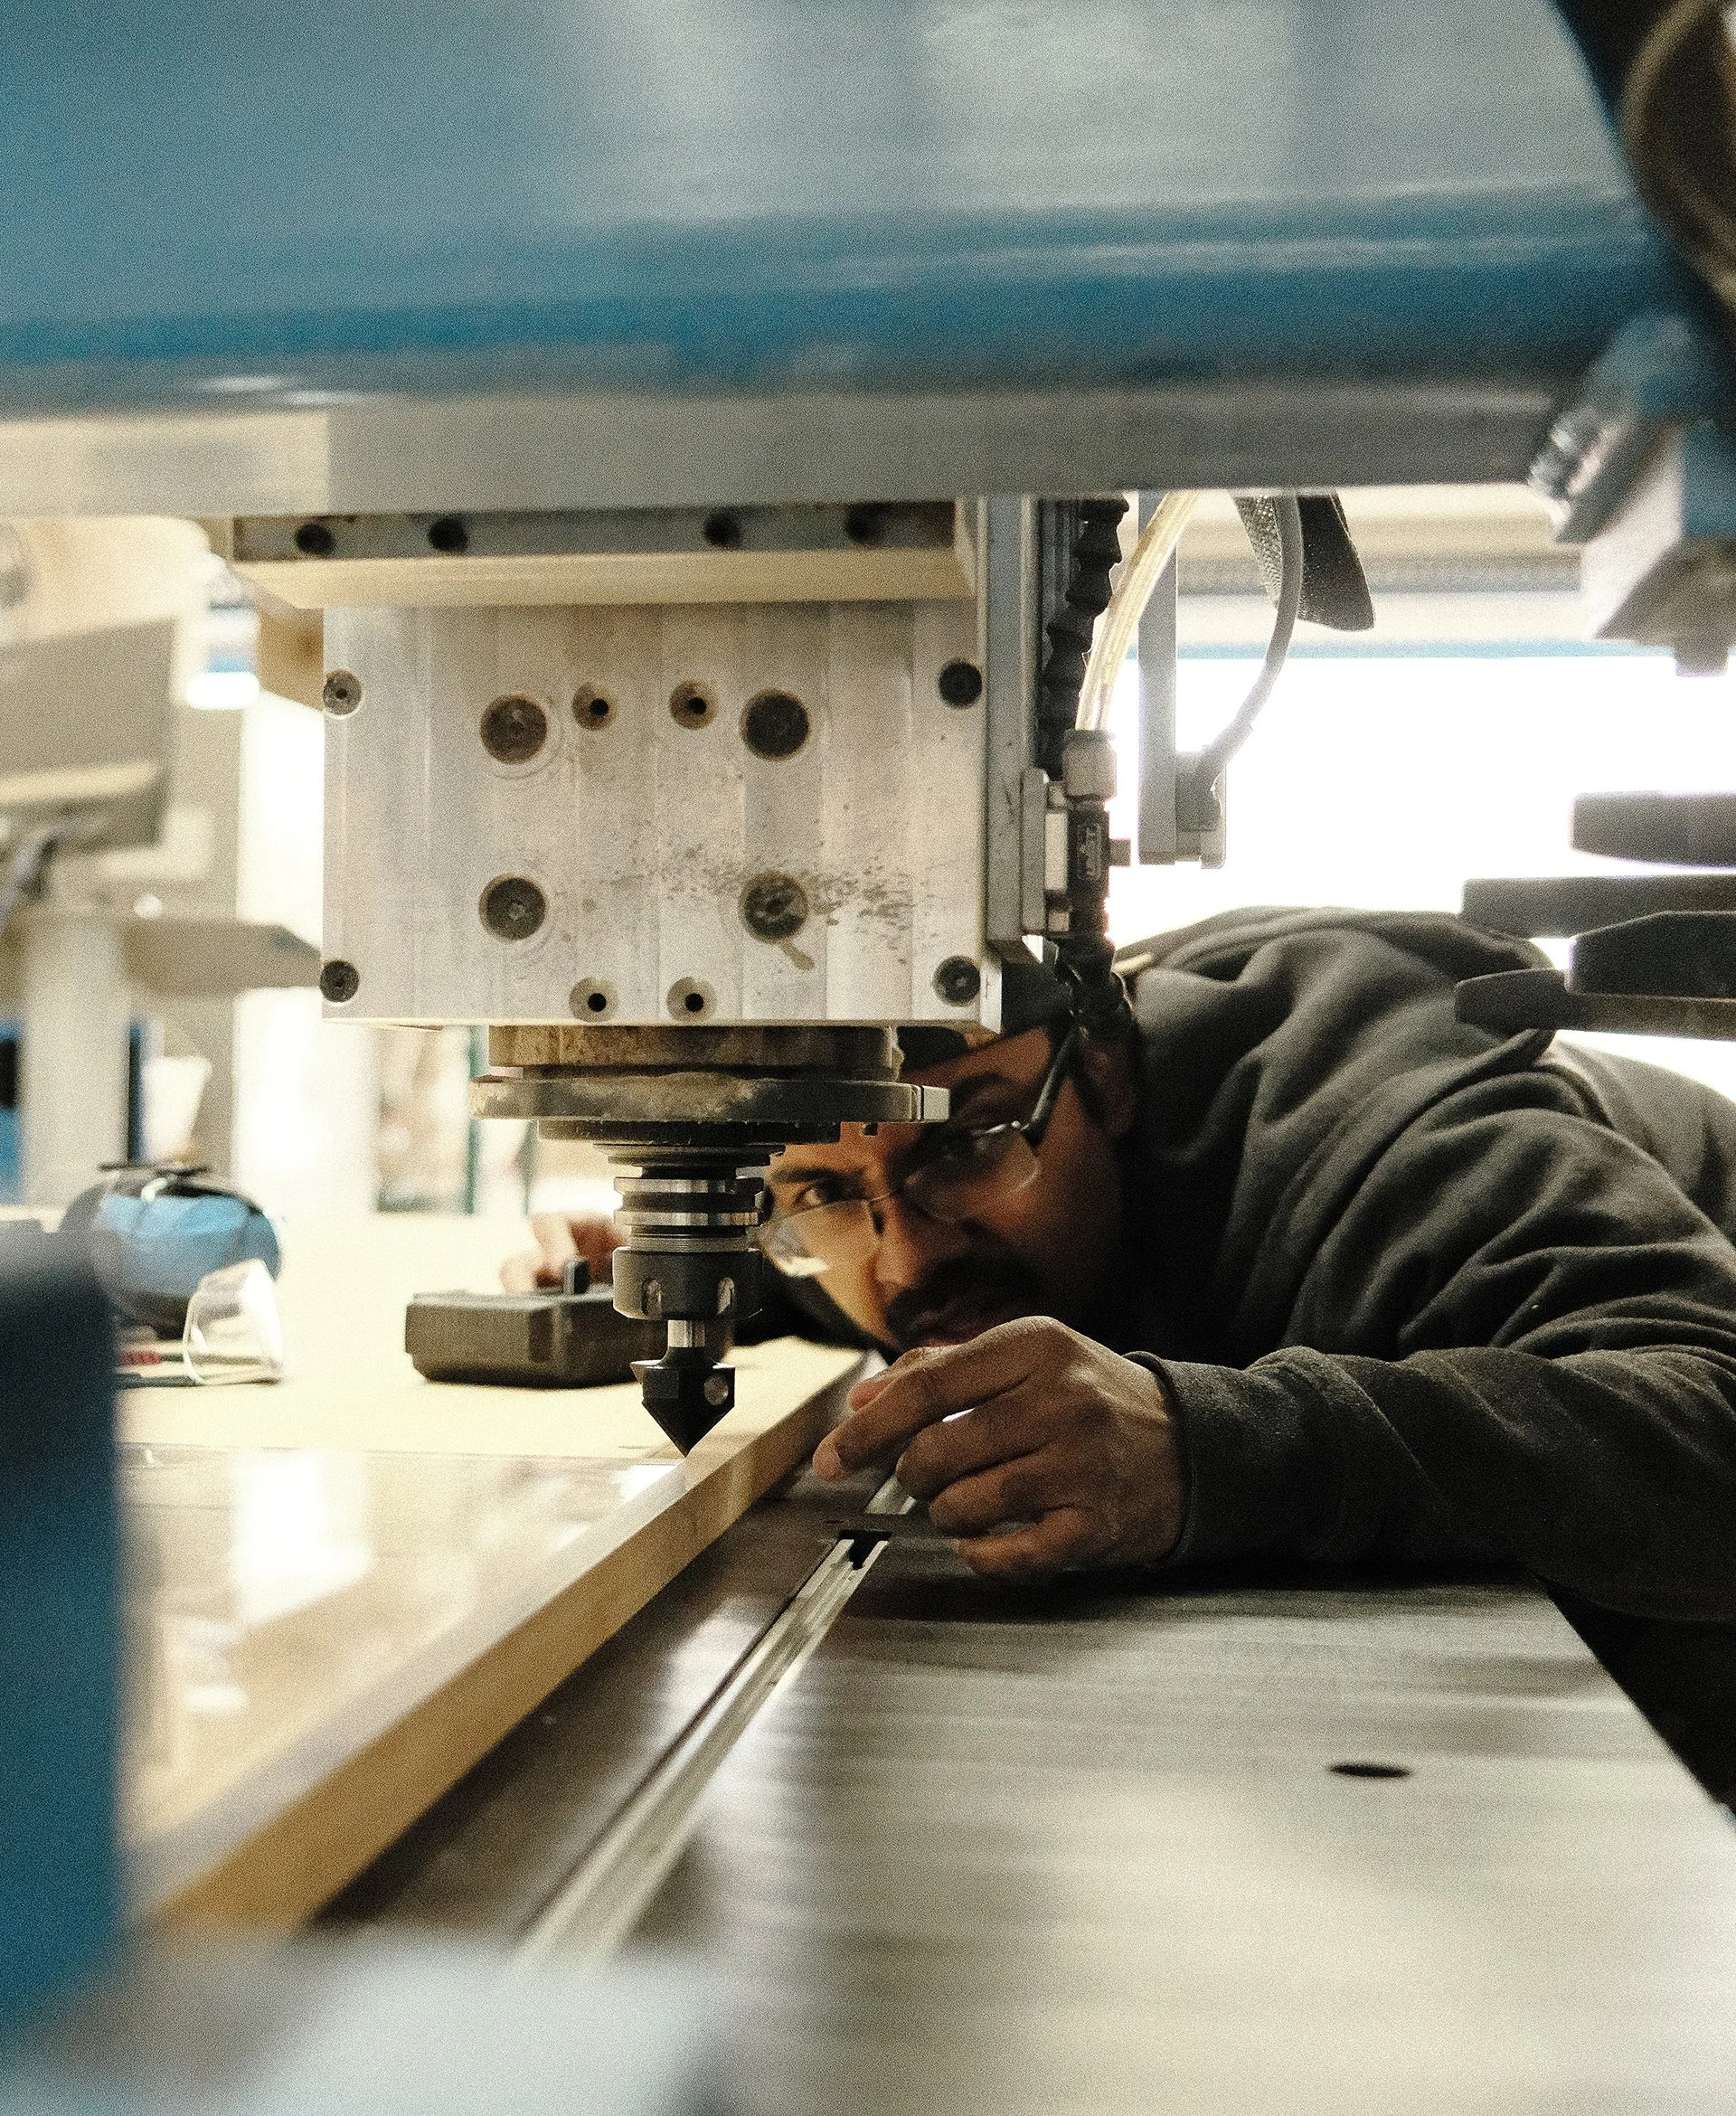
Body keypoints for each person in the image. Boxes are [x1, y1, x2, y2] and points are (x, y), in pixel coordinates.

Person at [506, 907, 1736, 1638]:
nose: (907, 1257)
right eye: (823, 1197)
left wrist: (1212, 1447)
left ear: (1107, 1073)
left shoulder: (1386, 1143)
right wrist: (687, 1258)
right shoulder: (938, 1230)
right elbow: (904, 1245)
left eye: (970, 1140)